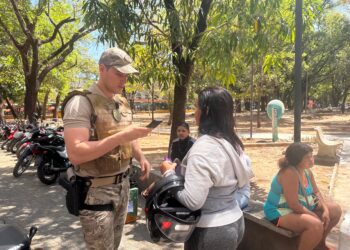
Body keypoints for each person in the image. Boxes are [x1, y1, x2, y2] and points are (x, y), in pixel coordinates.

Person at [63, 47, 152, 249]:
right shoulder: (80, 103)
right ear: (101, 69)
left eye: (127, 75)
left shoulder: (121, 102)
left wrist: (141, 156)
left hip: (123, 186)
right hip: (96, 191)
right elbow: (76, 153)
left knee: (115, 244)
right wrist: (121, 136)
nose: (124, 80)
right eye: (119, 74)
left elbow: (130, 135)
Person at [160, 86, 252, 250]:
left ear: (206, 110)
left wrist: (168, 173)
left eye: (196, 106)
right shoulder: (231, 141)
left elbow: (193, 201)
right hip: (235, 221)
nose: (194, 111)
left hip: (211, 231)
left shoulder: (204, 148)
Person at [264, 142, 342, 250]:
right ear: (296, 160)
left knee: (335, 210)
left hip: (302, 206)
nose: (311, 159)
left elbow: (316, 192)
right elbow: (294, 204)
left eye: (311, 155)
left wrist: (326, 210)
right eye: (307, 157)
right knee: (315, 225)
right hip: (280, 211)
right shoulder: (289, 173)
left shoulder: (307, 172)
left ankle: (320, 244)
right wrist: (313, 216)